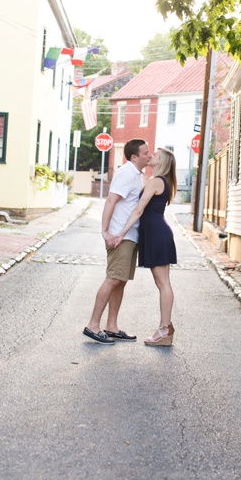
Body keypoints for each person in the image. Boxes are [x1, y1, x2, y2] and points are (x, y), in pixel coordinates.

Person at [83, 138, 152, 344]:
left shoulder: (137, 175)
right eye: (145, 153)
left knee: (120, 281)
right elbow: (111, 200)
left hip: (130, 235)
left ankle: (111, 326)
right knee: (113, 278)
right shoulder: (126, 173)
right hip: (118, 236)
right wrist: (105, 231)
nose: (149, 156)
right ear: (134, 157)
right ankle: (92, 325)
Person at [116, 147, 178, 346]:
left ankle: (164, 329)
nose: (151, 156)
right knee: (163, 283)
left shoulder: (156, 182)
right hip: (156, 234)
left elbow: (138, 209)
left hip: (157, 235)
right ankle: (165, 329)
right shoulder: (161, 181)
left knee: (163, 283)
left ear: (161, 162)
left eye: (156, 155)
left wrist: (121, 232)